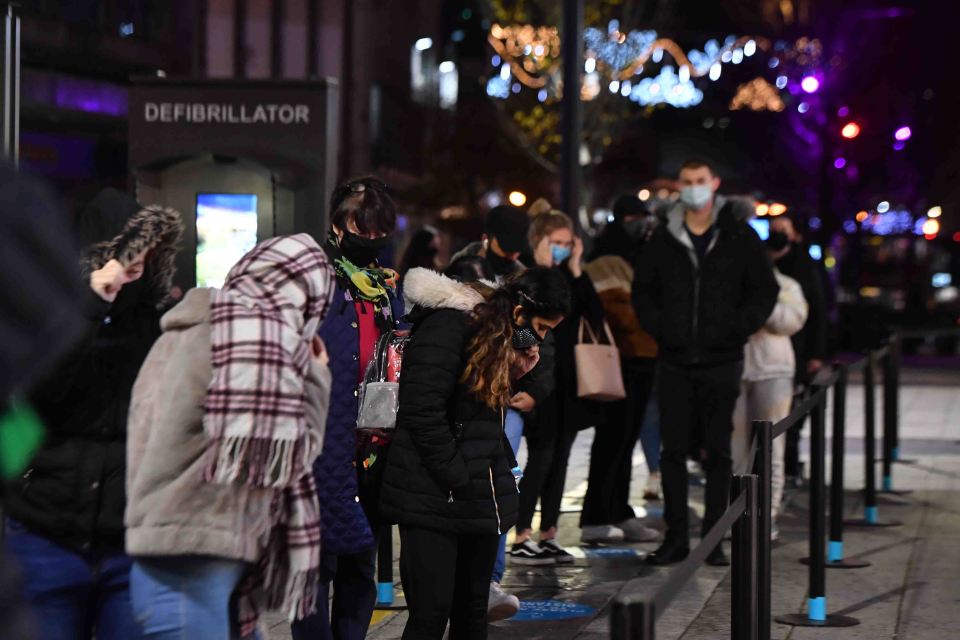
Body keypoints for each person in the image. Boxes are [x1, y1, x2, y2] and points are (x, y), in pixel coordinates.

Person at [125, 234, 334, 639]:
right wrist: (317, 375)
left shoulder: (187, 330)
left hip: (174, 552)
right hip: (196, 556)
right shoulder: (261, 340)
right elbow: (291, 458)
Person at [4, 189, 183, 640]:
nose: (136, 262)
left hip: (133, 546)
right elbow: (39, 396)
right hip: (46, 536)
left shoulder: (162, 323)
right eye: (127, 251)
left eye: (145, 251)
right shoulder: (56, 318)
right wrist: (90, 305)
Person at [380, 266, 570, 639]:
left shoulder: (500, 332)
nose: (541, 339)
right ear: (519, 312)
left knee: (471, 613)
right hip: (433, 494)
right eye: (541, 328)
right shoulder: (448, 327)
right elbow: (421, 412)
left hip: (478, 493)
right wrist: (456, 474)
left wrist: (523, 366)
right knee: (431, 614)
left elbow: (483, 405)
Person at [633, 158, 778, 566]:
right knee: (673, 451)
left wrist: (736, 328)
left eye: (701, 181)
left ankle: (715, 538)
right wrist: (662, 329)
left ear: (714, 184)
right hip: (675, 358)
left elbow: (763, 291)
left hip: (721, 358)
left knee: (718, 451)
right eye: (687, 182)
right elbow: (642, 292)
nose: (694, 188)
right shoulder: (663, 238)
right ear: (679, 186)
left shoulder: (739, 235)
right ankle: (676, 538)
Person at [292, 177, 405, 640]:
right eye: (363, 228)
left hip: (373, 437)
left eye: (381, 232)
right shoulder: (314, 279)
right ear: (338, 225)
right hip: (319, 437)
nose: (372, 240)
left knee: (362, 554)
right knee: (316, 560)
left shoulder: (382, 287)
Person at [511, 206, 608, 563]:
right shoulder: (526, 275)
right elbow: (519, 325)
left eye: (569, 243)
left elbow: (595, 315)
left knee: (560, 459)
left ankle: (548, 532)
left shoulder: (571, 277)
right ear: (539, 240)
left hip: (568, 379)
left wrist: (578, 268)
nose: (563, 249)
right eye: (557, 242)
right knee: (540, 458)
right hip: (537, 377)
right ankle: (522, 534)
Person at [581, 203, 661, 544]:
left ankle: (619, 510)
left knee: (626, 439)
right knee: (613, 438)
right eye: (632, 218)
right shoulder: (606, 261)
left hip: (640, 360)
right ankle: (597, 514)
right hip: (619, 361)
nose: (639, 225)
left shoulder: (636, 257)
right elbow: (618, 313)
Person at [731, 267, 807, 540]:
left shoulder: (785, 284)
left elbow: (789, 322)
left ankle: (768, 514)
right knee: (735, 450)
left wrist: (761, 301)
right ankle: (736, 515)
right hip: (735, 369)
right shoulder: (730, 277)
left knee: (770, 448)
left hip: (774, 372)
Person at [768, 215, 828, 483]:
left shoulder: (804, 265)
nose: (778, 233)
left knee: (792, 411)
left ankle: (789, 466)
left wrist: (816, 353)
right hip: (769, 353)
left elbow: (818, 311)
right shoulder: (762, 260)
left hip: (799, 350)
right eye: (774, 229)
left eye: (784, 229)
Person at [450, 204, 530, 281]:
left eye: (518, 249)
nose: (513, 257)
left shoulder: (523, 279)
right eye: (507, 249)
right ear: (485, 239)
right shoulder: (458, 269)